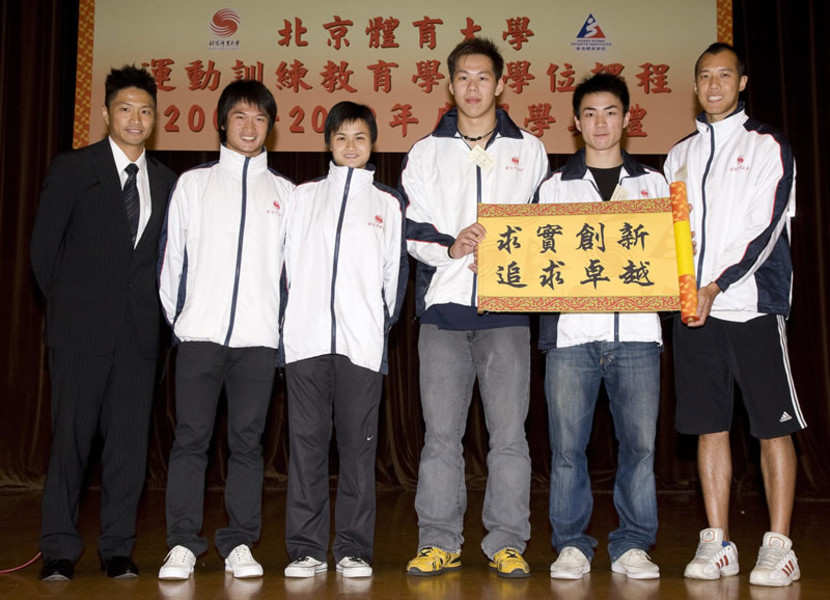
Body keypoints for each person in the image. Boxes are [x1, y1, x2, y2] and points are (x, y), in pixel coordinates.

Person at [402, 37, 548, 578]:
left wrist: (516, 259)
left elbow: (540, 230)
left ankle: (507, 541)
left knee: (510, 436)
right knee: (441, 437)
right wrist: (451, 246)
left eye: (483, 77)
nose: (472, 87)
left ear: (501, 83)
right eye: (463, 77)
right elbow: (412, 230)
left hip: (507, 314)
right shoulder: (424, 151)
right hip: (443, 312)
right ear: (449, 84)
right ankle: (439, 540)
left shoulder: (529, 149)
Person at [664, 42, 804, 587]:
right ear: (695, 85)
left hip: (751, 306)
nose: (714, 85)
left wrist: (717, 286)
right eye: (704, 76)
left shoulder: (768, 145)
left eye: (725, 75)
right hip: (695, 312)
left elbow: (766, 229)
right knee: (710, 426)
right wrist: (685, 294)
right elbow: (668, 238)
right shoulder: (680, 154)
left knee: (771, 427)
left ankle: (779, 545)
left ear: (742, 82)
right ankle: (719, 540)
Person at [30, 65, 177, 581]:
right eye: (125, 109)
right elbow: (43, 253)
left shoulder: (165, 180)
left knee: (127, 449)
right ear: (106, 114)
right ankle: (59, 550)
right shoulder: (74, 168)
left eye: (145, 110)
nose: (136, 119)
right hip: (79, 337)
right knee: (70, 444)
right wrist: (77, 310)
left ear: (156, 118)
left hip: (138, 339)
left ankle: (117, 548)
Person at [156, 80, 294, 580]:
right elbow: (171, 263)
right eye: (240, 116)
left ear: (270, 127)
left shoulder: (285, 193)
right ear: (222, 122)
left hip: (257, 343)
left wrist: (275, 328)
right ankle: (182, 544)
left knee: (247, 443)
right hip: (199, 339)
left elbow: (292, 273)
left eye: (260, 118)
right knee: (190, 440)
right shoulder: (193, 184)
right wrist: (185, 321)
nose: (250, 127)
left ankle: (239, 542)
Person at [537, 73, 668, 581]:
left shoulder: (655, 186)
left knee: (640, 447)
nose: (600, 123)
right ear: (575, 122)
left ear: (628, 118)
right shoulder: (552, 188)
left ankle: (634, 543)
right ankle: (571, 544)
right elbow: (533, 262)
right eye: (589, 113)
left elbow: (676, 257)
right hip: (572, 337)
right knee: (567, 448)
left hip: (637, 334)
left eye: (610, 112)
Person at [280, 101, 408, 579]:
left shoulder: (387, 203)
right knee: (307, 446)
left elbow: (395, 281)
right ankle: (306, 548)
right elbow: (285, 267)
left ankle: (354, 548)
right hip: (305, 344)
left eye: (360, 137)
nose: (350, 146)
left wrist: (374, 326)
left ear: (372, 143)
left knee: (358, 450)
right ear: (328, 144)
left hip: (361, 345)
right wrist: (293, 324)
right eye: (341, 138)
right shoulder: (302, 196)